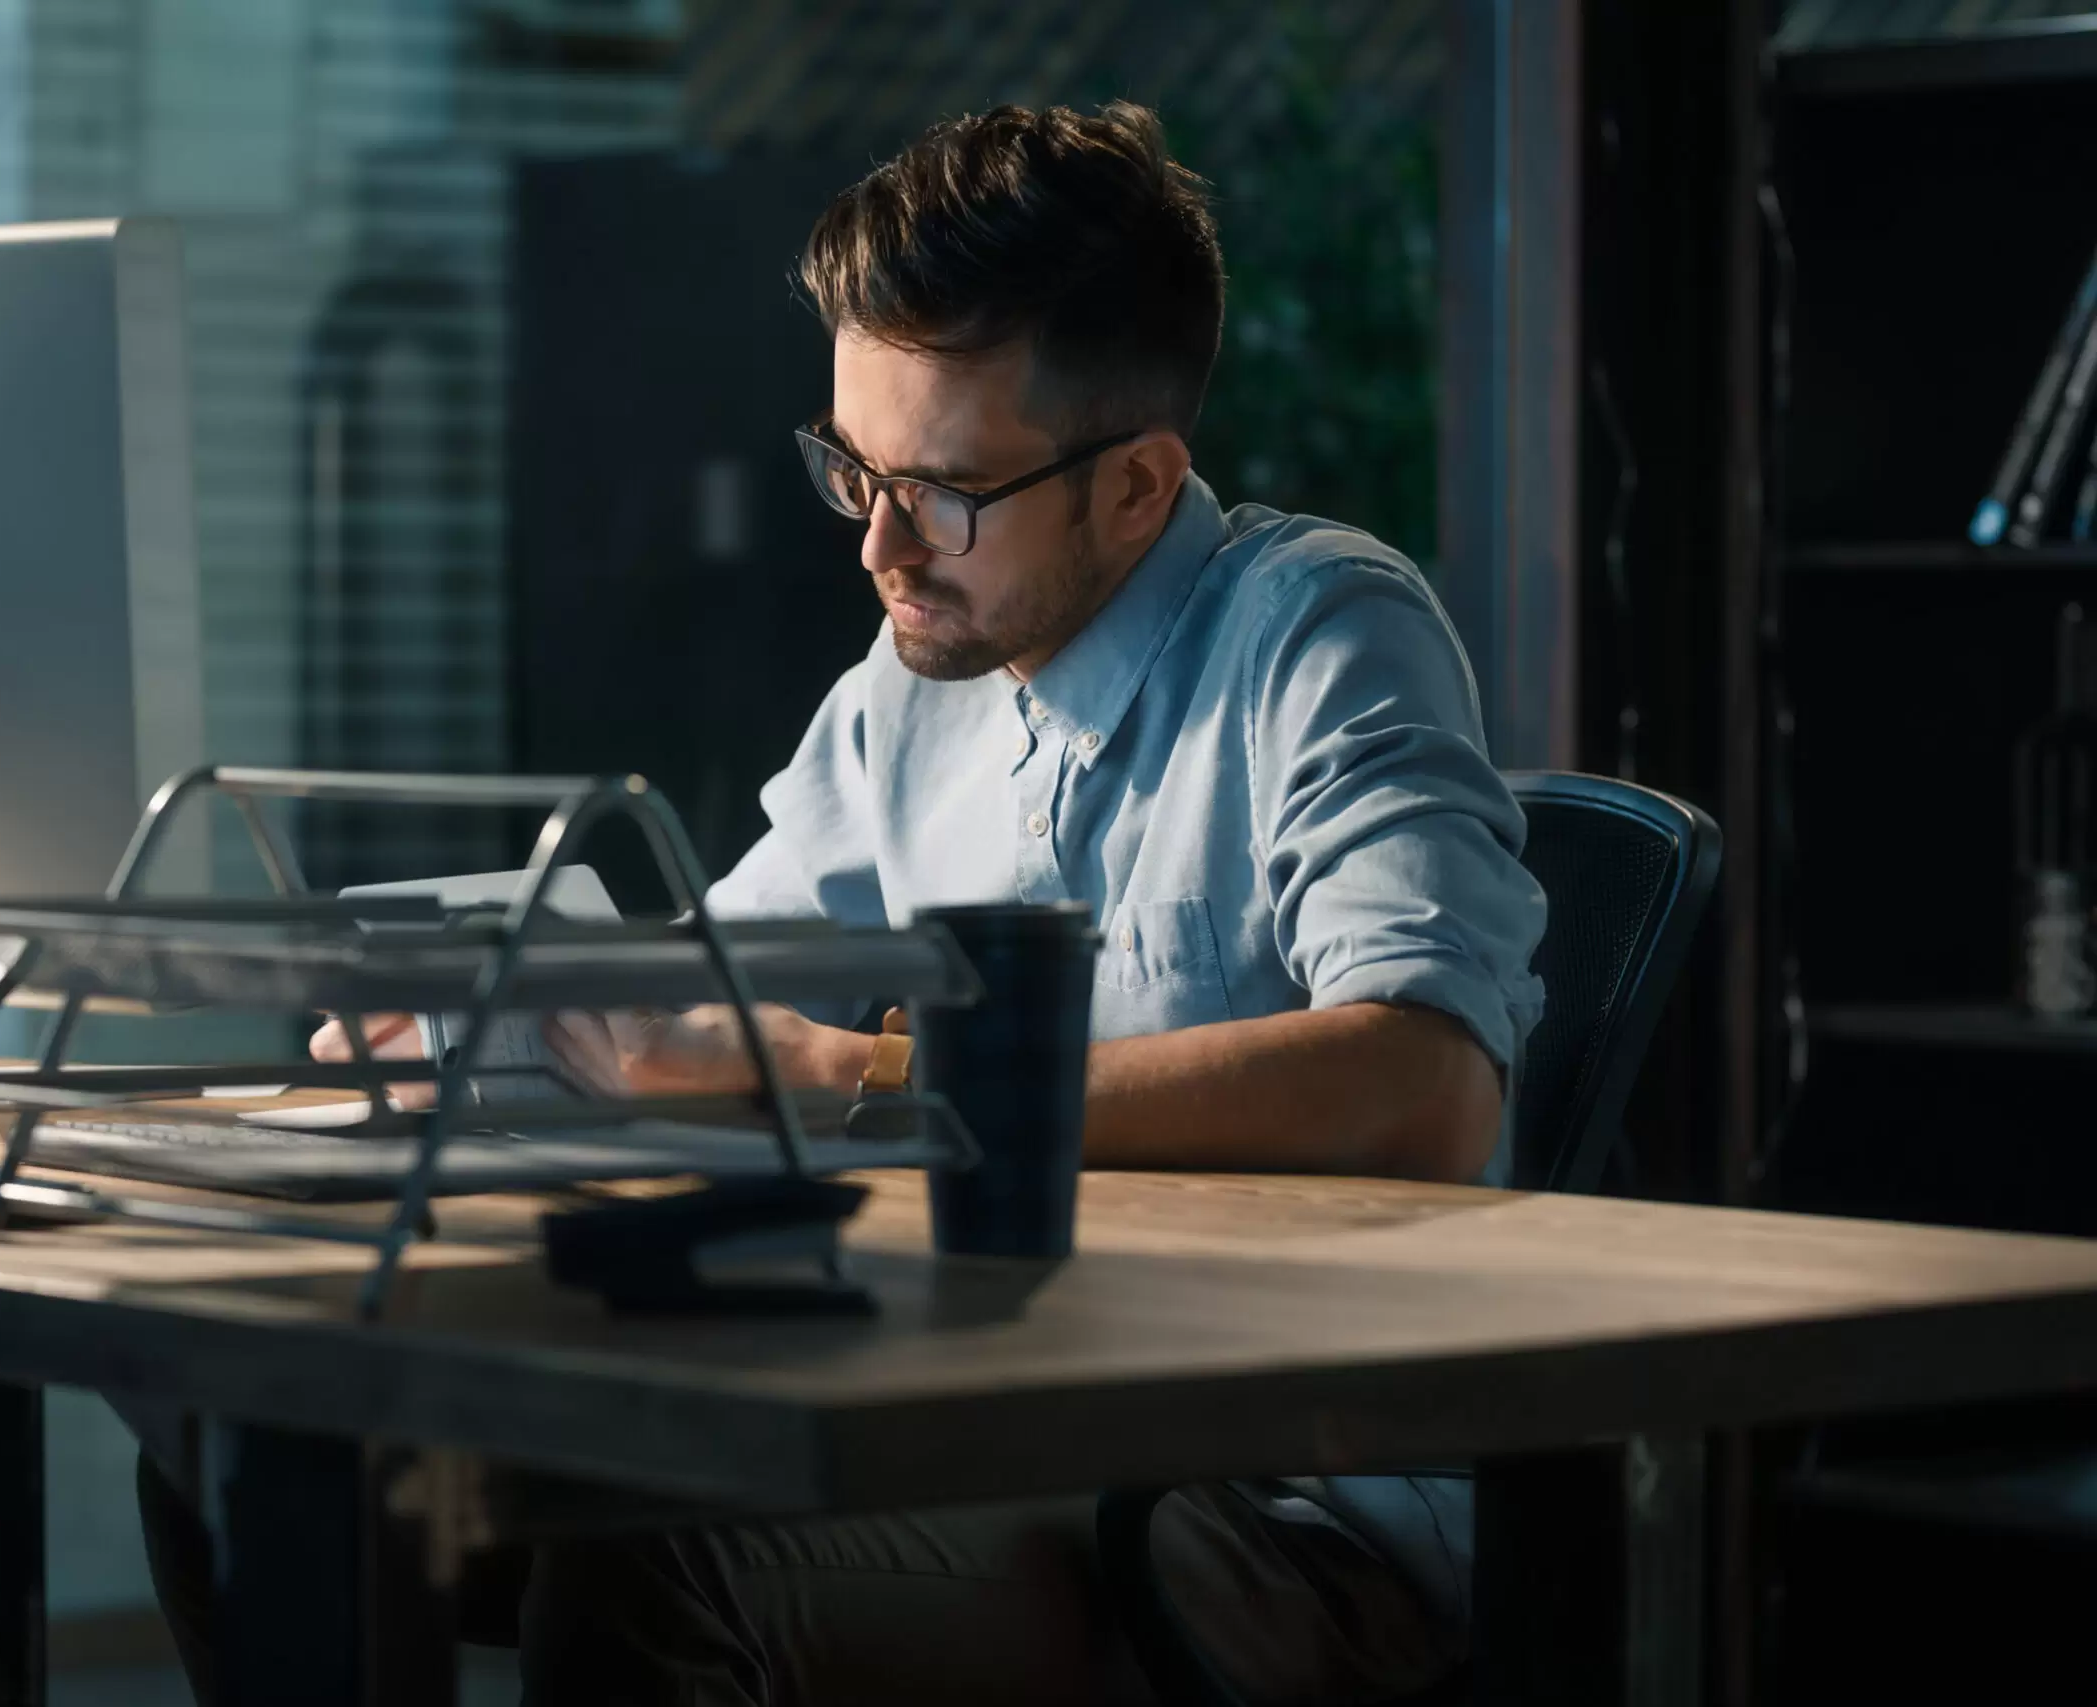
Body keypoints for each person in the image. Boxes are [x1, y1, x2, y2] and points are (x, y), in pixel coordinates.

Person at [142, 100, 1544, 1705]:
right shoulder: (917, 673)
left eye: (939, 492)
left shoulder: (1322, 634)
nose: (877, 545)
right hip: (981, 1425)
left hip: (1275, 1508)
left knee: (662, 1564)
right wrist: (504, 1018)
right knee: (268, 1478)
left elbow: (1424, 1088)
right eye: (851, 470)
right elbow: (716, 996)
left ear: (1140, 487)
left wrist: (854, 1076)